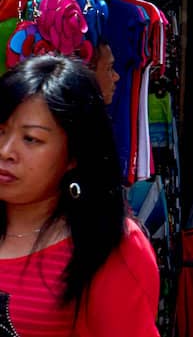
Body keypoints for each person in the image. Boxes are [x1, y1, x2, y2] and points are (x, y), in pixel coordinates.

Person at [0, 54, 160, 337]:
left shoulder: (108, 245)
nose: (6, 151)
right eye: (0, 132)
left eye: (31, 139)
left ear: (74, 154)